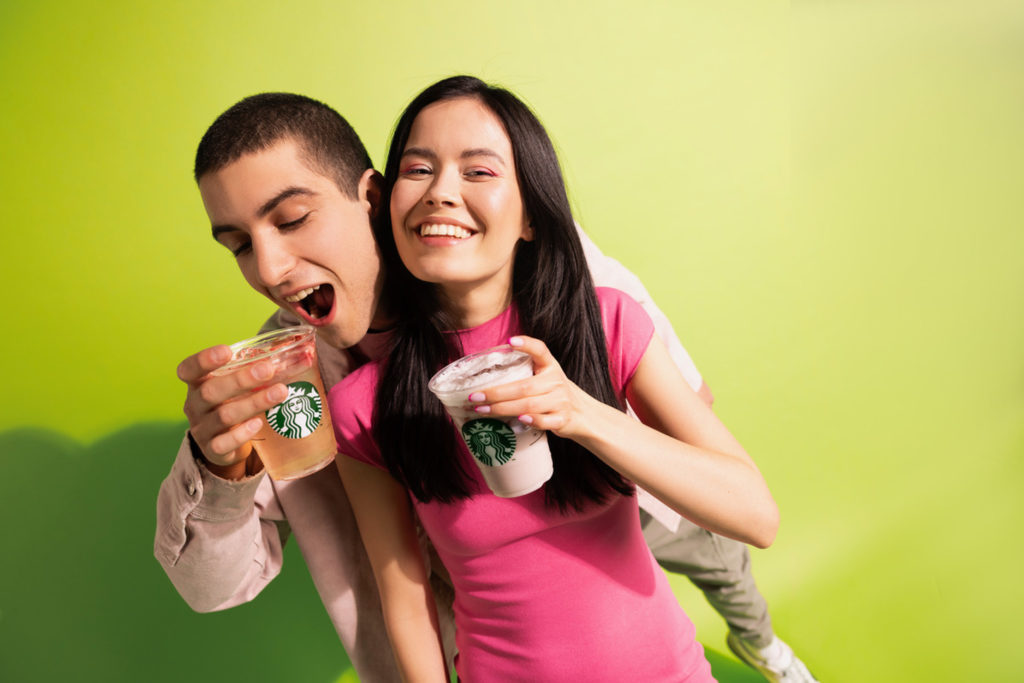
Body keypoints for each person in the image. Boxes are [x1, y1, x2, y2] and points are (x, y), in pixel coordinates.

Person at [154, 91, 817, 682]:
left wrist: (593, 421)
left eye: (292, 219)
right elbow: (229, 587)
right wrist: (221, 467)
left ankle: (760, 644)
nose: (268, 268)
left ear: (373, 200)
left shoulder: (533, 258)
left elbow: (712, 448)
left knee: (723, 565)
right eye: (238, 244)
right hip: (490, 623)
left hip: (622, 494)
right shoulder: (302, 384)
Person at [329, 75, 777, 681]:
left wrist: (581, 412)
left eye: (478, 172)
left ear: (531, 218)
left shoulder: (608, 322)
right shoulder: (364, 404)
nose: (441, 192)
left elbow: (756, 517)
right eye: (418, 169)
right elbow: (403, 596)